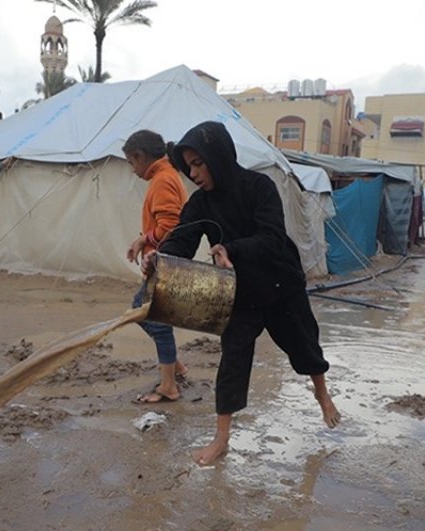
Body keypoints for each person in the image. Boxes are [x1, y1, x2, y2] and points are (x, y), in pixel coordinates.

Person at [147, 121, 340, 466]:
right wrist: (159, 259)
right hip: (240, 293)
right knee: (233, 361)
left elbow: (272, 237)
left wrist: (230, 249)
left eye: (198, 163)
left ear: (218, 157)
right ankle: (221, 440)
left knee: (305, 346)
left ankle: (322, 394)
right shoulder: (201, 204)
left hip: (281, 284)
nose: (192, 173)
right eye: (188, 166)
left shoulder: (258, 187)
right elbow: (182, 238)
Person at [123, 130, 189, 404]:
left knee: (154, 320)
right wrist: (143, 240)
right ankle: (175, 367)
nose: (133, 170)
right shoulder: (166, 176)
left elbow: (170, 226)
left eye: (131, 163)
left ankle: (169, 386)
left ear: (140, 156)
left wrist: (144, 239)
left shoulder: (162, 181)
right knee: (141, 310)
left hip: (164, 264)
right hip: (162, 262)